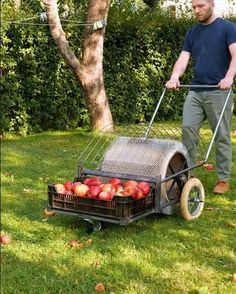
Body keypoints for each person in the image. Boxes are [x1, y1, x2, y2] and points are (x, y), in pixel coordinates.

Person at [166, 0, 236, 194]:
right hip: (196, 90)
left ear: (211, 5)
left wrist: (229, 77)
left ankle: (223, 179)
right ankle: (188, 173)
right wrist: (174, 76)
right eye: (194, 7)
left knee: (221, 136)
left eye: (201, 6)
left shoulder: (228, 28)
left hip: (219, 91)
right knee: (188, 129)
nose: (196, 10)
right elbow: (183, 58)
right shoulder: (192, 32)